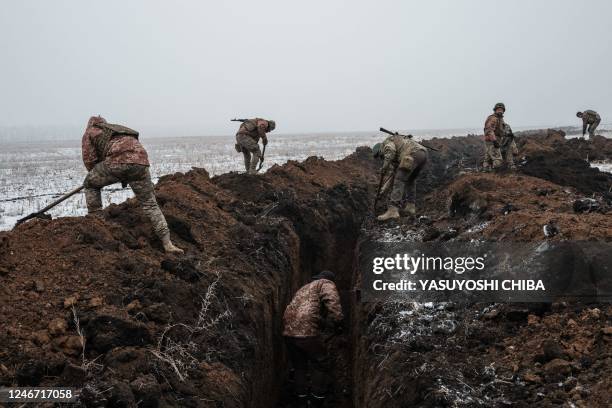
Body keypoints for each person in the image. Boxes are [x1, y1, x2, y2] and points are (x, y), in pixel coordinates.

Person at [81, 116, 183, 254]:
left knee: (90, 184)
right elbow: (130, 150)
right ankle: (167, 243)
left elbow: (90, 160)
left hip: (117, 162)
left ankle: (97, 223)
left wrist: (95, 175)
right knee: (150, 204)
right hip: (141, 163)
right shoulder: (115, 129)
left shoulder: (90, 132)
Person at [282, 270, 343, 403]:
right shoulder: (325, 283)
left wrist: (322, 323)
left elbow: (304, 311)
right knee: (321, 363)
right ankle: (317, 397)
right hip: (307, 333)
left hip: (289, 333)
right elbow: (332, 301)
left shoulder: (304, 288)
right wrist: (338, 322)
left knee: (299, 366)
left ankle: (301, 397)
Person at [372, 134, 428, 221]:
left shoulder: (386, 144)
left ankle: (393, 210)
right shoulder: (399, 149)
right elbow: (394, 175)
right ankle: (410, 206)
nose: (382, 158)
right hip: (423, 155)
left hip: (412, 154)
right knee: (410, 180)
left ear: (380, 150)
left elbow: (390, 152)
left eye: (380, 156)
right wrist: (384, 190)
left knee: (399, 181)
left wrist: (384, 167)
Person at [483, 102, 506, 171]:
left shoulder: (499, 119)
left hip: (492, 140)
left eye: (501, 110)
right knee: (497, 158)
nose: (500, 111)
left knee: (488, 157)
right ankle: (496, 172)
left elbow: (501, 130)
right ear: (495, 110)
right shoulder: (493, 118)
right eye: (498, 109)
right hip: (492, 141)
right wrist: (494, 141)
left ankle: (486, 171)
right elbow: (489, 130)